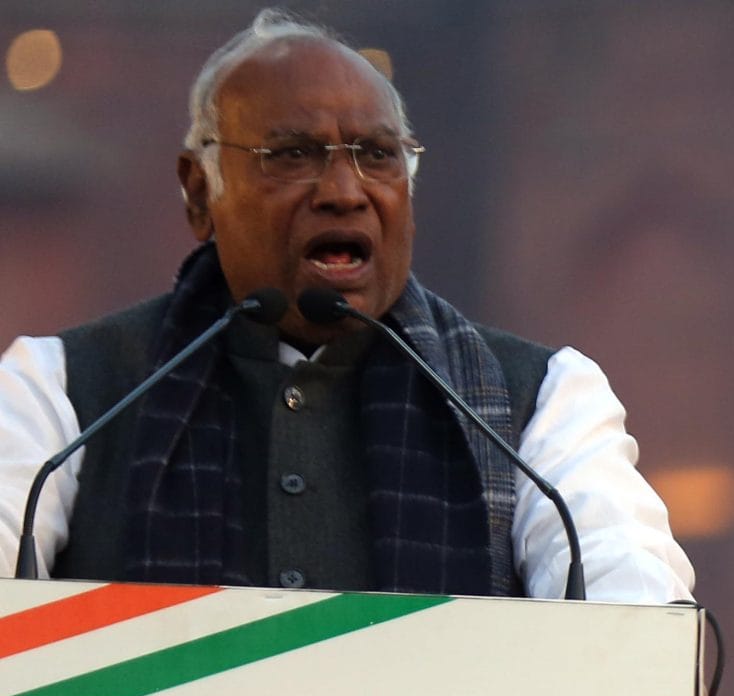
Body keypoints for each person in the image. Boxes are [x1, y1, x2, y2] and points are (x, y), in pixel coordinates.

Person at [0, 9, 692, 602]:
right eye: (294, 154)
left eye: (377, 155)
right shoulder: (61, 392)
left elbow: (631, 622)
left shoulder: (540, 403)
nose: (344, 191)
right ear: (199, 191)